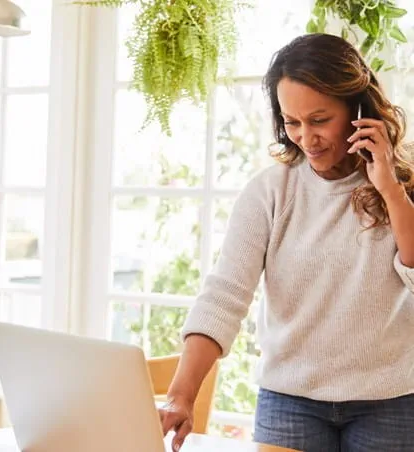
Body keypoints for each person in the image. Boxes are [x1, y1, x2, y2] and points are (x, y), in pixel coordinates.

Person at [159, 33, 414, 452]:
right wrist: (182, 394)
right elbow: (225, 295)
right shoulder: (269, 192)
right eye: (291, 122)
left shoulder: (400, 185)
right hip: (290, 402)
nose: (305, 137)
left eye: (319, 120)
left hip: (390, 401)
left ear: (358, 109)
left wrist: (390, 189)